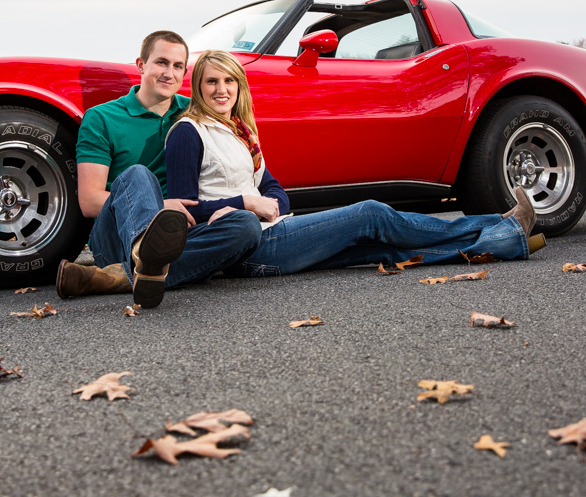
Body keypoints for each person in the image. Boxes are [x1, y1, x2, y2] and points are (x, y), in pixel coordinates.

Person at [162, 50, 546, 277]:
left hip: (276, 229)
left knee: (383, 247)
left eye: (229, 81)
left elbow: (274, 187)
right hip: (250, 247)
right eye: (211, 82)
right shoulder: (188, 132)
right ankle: (499, 223)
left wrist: (272, 201)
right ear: (198, 88)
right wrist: (245, 204)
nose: (221, 90)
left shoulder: (241, 131)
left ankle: (504, 240)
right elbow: (184, 214)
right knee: (370, 215)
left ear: (240, 86)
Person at [57, 31, 262, 308]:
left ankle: (120, 277)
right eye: (161, 63)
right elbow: (90, 201)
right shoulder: (102, 118)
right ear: (141, 65)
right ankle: (143, 253)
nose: (169, 73)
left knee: (245, 226)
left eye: (178, 66)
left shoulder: (194, 114)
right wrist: (160, 205)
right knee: (138, 174)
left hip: (179, 236)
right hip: (116, 240)